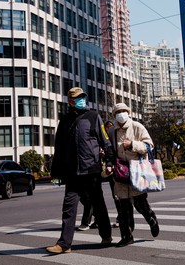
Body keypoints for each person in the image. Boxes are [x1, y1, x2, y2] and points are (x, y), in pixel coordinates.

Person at [46, 87, 114, 254]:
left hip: (91, 170)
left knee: (98, 204)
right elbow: (60, 148)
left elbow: (105, 141)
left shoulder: (93, 116)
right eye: (78, 98)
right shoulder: (65, 121)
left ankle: (106, 236)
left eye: (83, 97)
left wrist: (110, 161)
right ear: (70, 101)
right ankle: (64, 244)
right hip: (72, 172)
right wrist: (56, 172)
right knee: (68, 207)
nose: (82, 100)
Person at [111, 103, 159, 247]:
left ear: (128, 112)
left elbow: (149, 146)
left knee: (140, 203)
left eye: (123, 111)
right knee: (124, 207)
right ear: (114, 116)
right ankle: (127, 236)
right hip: (120, 173)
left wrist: (132, 144)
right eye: (118, 112)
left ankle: (151, 219)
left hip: (137, 171)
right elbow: (111, 150)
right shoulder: (112, 131)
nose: (121, 113)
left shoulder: (137, 127)